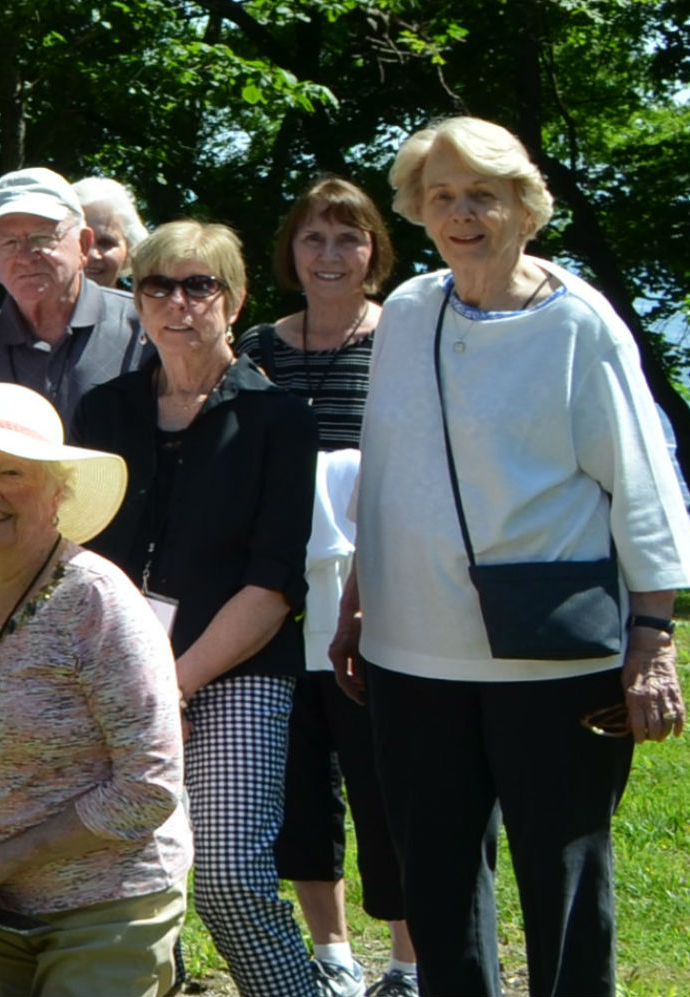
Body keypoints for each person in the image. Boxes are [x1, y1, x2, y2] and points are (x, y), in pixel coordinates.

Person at [342, 116, 690, 997]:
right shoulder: (409, 312)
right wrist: (356, 595)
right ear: (419, 213)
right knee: (434, 871)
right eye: (441, 198)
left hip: (547, 651)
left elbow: (643, 480)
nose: (461, 215)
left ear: (524, 206)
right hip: (410, 648)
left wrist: (651, 635)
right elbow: (386, 466)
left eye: (482, 196)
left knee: (562, 870)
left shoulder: (579, 322)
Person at [74, 220, 332, 997]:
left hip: (234, 670)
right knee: (116, 877)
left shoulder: (278, 418)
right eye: (157, 286)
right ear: (136, 299)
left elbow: (273, 586)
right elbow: (81, 560)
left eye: (199, 285)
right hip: (112, 675)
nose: (176, 303)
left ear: (236, 298)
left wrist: (171, 688)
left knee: (223, 876)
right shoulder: (102, 413)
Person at [0, 382, 190, 997]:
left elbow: (149, 787)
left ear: (58, 493)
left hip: (108, 907)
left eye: (10, 473)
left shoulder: (96, 600)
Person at [245, 176, 413, 997]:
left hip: (386, 595)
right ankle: (332, 950)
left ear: (374, 250)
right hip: (277, 600)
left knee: (385, 782)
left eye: (346, 238)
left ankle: (410, 959)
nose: (329, 254)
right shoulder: (258, 349)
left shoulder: (403, 339)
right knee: (299, 784)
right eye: (313, 238)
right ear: (290, 252)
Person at [0, 167, 145, 418]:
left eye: (42, 239)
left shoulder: (144, 330)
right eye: (9, 243)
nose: (26, 258)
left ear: (83, 245)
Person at [73, 177, 146, 290]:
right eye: (81, 242)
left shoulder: (145, 308)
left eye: (105, 243)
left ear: (129, 249)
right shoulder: (37, 306)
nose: (91, 255)